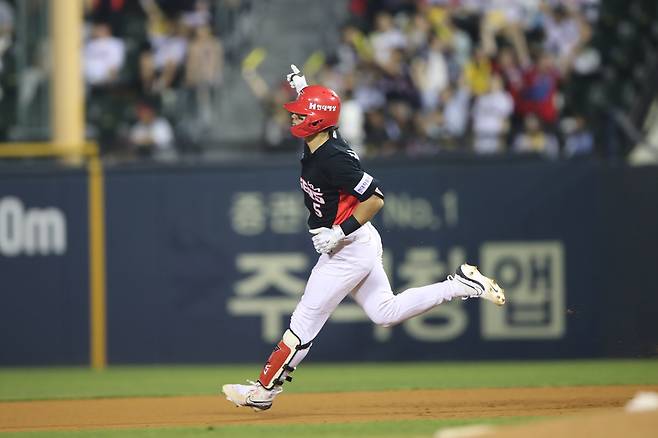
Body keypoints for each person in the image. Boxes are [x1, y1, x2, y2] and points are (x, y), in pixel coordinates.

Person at [221, 65, 506, 412]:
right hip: (357, 243)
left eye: (300, 114)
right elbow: (322, 117)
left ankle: (263, 393)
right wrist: (304, 90)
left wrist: (339, 233)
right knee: (385, 312)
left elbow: (375, 199)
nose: (294, 118)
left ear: (315, 122)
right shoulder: (324, 139)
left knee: (303, 324)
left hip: (348, 248)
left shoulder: (333, 158)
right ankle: (463, 286)